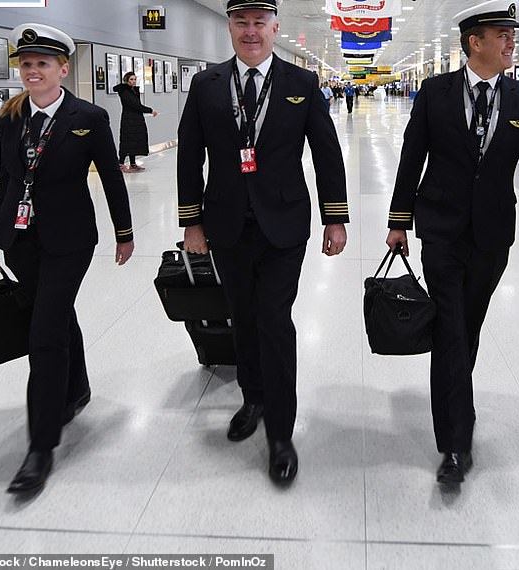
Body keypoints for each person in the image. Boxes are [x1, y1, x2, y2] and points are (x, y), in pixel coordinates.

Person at [385, 0, 519, 488]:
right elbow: (411, 157)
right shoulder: (434, 93)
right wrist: (399, 220)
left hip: (491, 237)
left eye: (512, 34)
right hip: (440, 231)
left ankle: (456, 399)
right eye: (501, 34)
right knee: (450, 329)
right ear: (474, 42)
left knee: (469, 324)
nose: (511, 42)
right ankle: (454, 444)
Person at [178, 0, 348, 485]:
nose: (250, 32)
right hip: (227, 224)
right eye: (240, 22)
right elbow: (189, 154)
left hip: (284, 225)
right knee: (243, 316)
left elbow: (327, 151)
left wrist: (335, 217)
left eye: (259, 23)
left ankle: (280, 431)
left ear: (276, 28)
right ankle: (252, 397)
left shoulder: (300, 84)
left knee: (274, 319)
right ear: (229, 26)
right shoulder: (207, 84)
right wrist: (192, 222)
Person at [0, 23, 135, 495]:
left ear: (63, 69)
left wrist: (124, 233)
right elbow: (6, 180)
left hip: (69, 241)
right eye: (26, 64)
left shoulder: (88, 116)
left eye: (42, 64)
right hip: (21, 240)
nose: (32, 71)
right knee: (56, 315)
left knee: (43, 331)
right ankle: (76, 388)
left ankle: (40, 447)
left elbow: (111, 176)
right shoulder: (10, 118)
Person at [113, 71, 158, 172]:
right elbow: (135, 105)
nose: (133, 81)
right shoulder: (124, 92)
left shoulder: (133, 91)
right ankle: (121, 164)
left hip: (136, 119)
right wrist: (150, 110)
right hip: (128, 120)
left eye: (135, 79)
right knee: (126, 141)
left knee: (134, 141)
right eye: (131, 79)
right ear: (126, 80)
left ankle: (133, 163)